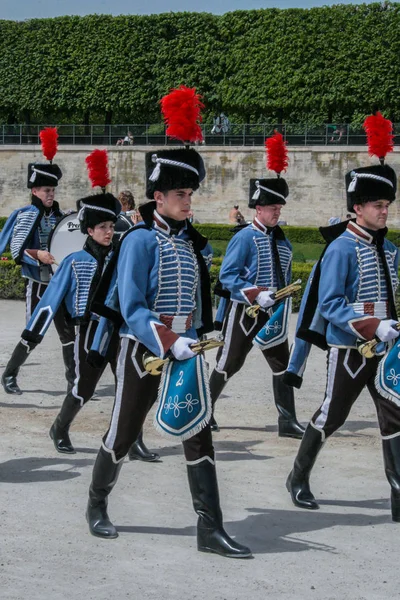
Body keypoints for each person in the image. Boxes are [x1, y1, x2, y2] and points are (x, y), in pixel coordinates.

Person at [85, 145, 251, 558]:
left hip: (185, 349)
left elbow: (194, 301)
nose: (188, 201)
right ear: (158, 197)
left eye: (190, 195)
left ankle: (210, 528)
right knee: (123, 435)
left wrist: (191, 340)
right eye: (181, 195)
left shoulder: (190, 243)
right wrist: (167, 339)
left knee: (199, 432)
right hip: (143, 350)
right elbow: (132, 306)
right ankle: (97, 502)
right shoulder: (139, 240)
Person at [285, 113, 400, 520]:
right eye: (378, 205)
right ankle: (297, 477)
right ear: (357, 207)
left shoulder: (387, 250)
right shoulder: (340, 249)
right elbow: (329, 304)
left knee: (395, 414)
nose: (385, 211)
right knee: (333, 414)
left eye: (387, 204)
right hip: (350, 347)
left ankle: (398, 495)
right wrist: (372, 325)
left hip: (384, 348)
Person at [19, 189, 158, 461]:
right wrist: (32, 335)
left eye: (111, 227)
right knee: (83, 389)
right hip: (91, 332)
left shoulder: (121, 260)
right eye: (102, 227)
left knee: (129, 386)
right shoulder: (73, 261)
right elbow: (50, 300)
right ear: (89, 230)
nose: (109, 232)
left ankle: (131, 440)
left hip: (121, 331)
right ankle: (59, 428)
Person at [209, 164, 305, 439]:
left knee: (282, 366)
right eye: (272, 206)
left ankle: (287, 421)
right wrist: (254, 293)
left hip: (272, 314)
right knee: (228, 363)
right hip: (245, 312)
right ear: (258, 208)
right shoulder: (244, 237)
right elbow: (227, 277)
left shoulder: (283, 243)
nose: (277, 211)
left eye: (279, 206)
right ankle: (204, 412)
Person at [0, 128, 75, 395]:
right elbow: (17, 250)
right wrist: (38, 255)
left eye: (53, 189)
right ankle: (9, 375)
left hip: (60, 282)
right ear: (34, 190)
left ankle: (72, 381)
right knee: (34, 331)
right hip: (38, 282)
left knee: (68, 334)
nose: (50, 194)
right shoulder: (26, 215)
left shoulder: (61, 215)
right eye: (46, 189)